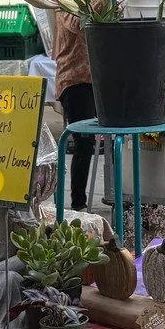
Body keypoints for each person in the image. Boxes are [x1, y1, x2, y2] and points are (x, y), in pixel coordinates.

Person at [54, 11, 98, 211]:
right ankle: (78, 203)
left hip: (100, 78)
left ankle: (122, 197)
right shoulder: (65, 6)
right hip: (74, 81)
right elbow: (78, 23)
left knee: (121, 137)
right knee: (84, 141)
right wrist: (104, 0)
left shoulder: (97, 0)